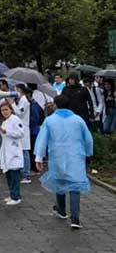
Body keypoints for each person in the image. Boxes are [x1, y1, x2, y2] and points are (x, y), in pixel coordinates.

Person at [34, 95, 93, 230]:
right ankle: (75, 218)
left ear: (55, 105)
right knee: (75, 185)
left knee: (59, 181)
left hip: (57, 155)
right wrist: (88, 153)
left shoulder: (49, 121)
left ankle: (61, 210)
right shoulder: (78, 120)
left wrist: (39, 157)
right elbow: (88, 138)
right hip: (76, 156)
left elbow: (42, 139)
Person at [0, 102, 25, 206]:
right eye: (2, 110)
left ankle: (16, 196)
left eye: (6, 110)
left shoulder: (15, 119)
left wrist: (7, 132)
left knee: (14, 175)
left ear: (11, 110)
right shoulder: (4, 122)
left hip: (13, 150)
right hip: (6, 150)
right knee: (8, 174)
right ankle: (13, 194)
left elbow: (21, 133)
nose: (4, 112)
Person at [9, 84, 32, 184]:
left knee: (25, 152)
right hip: (21, 127)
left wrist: (12, 104)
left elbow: (20, 113)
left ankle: (26, 175)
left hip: (24, 128)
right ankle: (23, 173)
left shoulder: (24, 101)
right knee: (21, 151)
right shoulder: (22, 100)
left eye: (16, 90)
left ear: (20, 90)